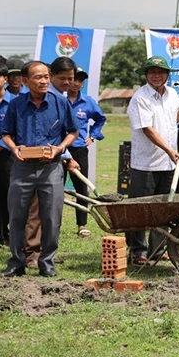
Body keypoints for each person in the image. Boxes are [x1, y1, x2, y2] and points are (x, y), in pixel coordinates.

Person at [0, 61, 78, 277]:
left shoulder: (60, 103)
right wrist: (14, 148)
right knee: (17, 216)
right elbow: (5, 133)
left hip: (51, 168)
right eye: (38, 77)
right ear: (25, 81)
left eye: (46, 76)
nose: (44, 81)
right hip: (22, 168)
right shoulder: (16, 105)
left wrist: (60, 148)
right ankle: (17, 262)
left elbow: (73, 131)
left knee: (52, 217)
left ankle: (47, 262)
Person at [126, 56, 179, 267]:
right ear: (145, 75)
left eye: (160, 72)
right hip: (146, 164)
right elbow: (147, 128)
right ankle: (137, 251)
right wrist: (168, 149)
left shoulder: (172, 94)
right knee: (140, 210)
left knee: (163, 208)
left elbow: (175, 119)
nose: (156, 75)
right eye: (152, 71)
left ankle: (157, 248)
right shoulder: (140, 97)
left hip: (169, 163)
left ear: (167, 75)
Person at [66, 67, 107, 237]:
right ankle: (52, 224)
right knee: (54, 187)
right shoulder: (58, 100)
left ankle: (82, 224)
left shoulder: (88, 102)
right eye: (75, 79)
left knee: (81, 187)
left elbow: (100, 118)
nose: (77, 83)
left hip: (79, 149)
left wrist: (93, 136)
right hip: (59, 149)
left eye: (81, 80)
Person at [0, 64, 15, 245]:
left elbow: (17, 130)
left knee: (9, 194)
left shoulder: (15, 103)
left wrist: (1, 145)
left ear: (5, 79)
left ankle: (8, 231)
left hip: (8, 155)